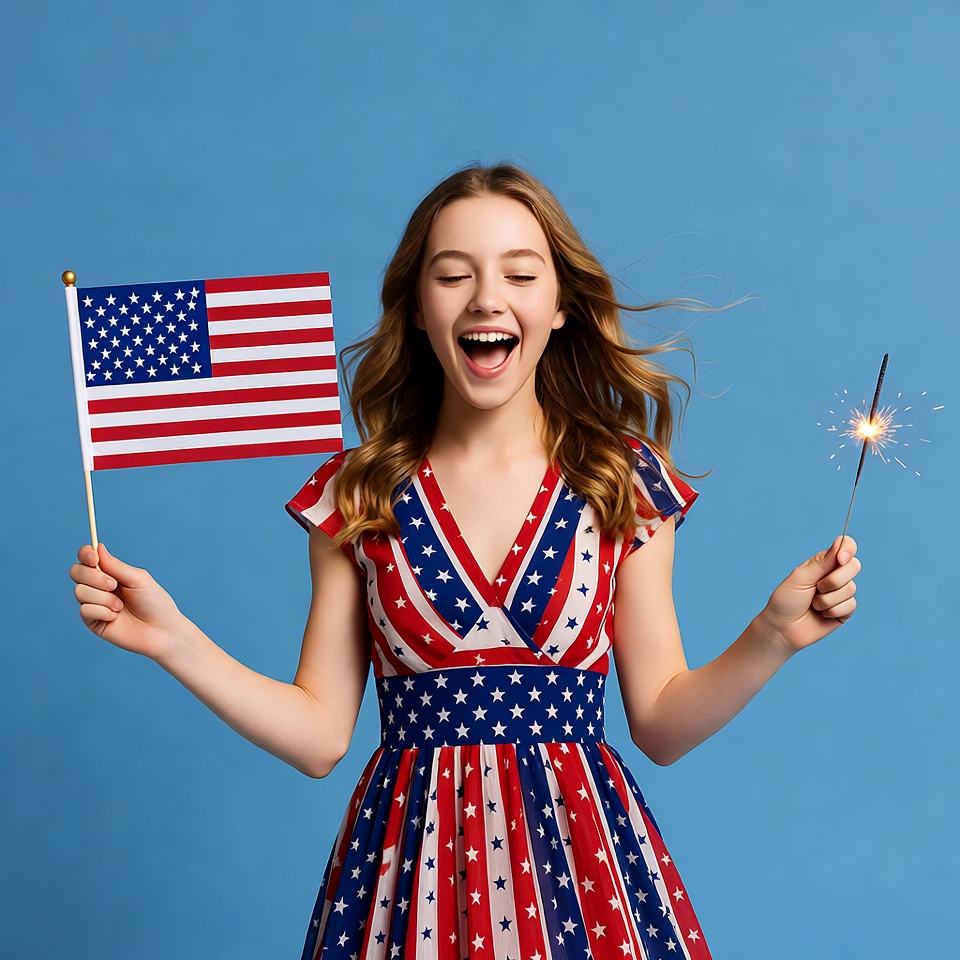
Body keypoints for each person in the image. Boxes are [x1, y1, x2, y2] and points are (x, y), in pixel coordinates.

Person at [70, 164, 860, 960]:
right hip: (404, 885)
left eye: (520, 273)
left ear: (558, 309)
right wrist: (173, 639)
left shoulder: (621, 483)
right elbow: (317, 735)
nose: (487, 297)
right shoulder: (357, 496)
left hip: (585, 888)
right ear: (419, 309)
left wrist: (771, 636)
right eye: (455, 275)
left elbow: (659, 721)